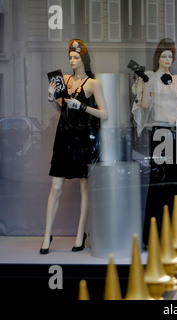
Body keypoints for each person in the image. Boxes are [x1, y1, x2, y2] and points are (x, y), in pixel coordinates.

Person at [40, 39, 108, 254]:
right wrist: (51, 98)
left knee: (84, 187)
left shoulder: (92, 83)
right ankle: (46, 235)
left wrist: (83, 106)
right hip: (63, 136)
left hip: (81, 139)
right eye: (70, 57)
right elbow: (61, 110)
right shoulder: (65, 80)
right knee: (56, 187)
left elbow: (105, 114)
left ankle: (80, 235)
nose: (72, 60)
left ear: (84, 58)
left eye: (76, 57)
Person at [134, 38, 177, 246]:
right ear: (157, 57)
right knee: (158, 182)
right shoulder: (150, 77)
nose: (167, 59)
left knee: (174, 183)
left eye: (170, 56)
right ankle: (152, 237)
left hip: (176, 132)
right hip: (159, 132)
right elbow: (146, 105)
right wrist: (147, 84)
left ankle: (172, 235)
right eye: (163, 55)